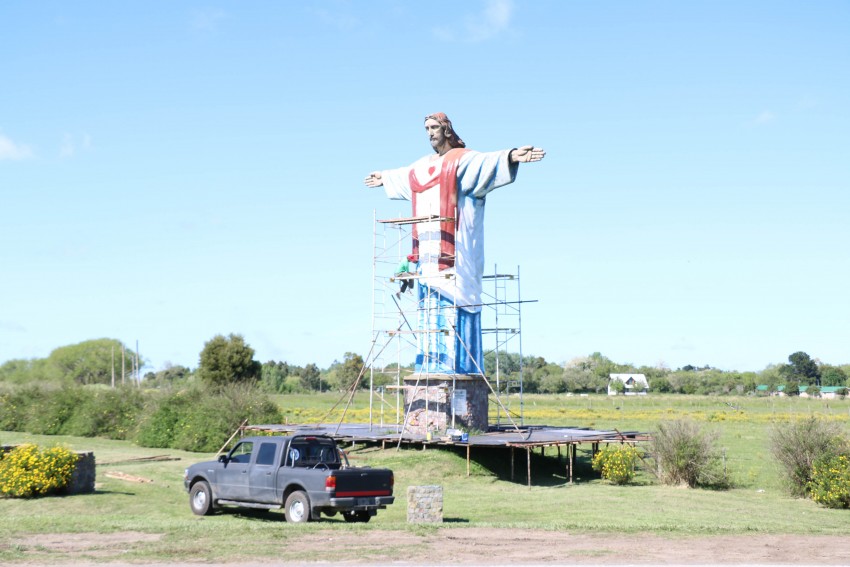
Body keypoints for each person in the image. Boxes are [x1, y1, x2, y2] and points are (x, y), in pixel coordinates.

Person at [364, 112, 544, 374]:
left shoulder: (461, 162)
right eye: (426, 128)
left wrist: (512, 155)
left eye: (434, 127)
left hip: (456, 254)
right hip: (426, 257)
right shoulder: (422, 166)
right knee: (427, 310)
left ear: (447, 130)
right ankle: (429, 368)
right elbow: (406, 176)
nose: (430, 132)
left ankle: (459, 370)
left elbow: (487, 163)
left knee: (456, 305)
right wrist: (384, 178)